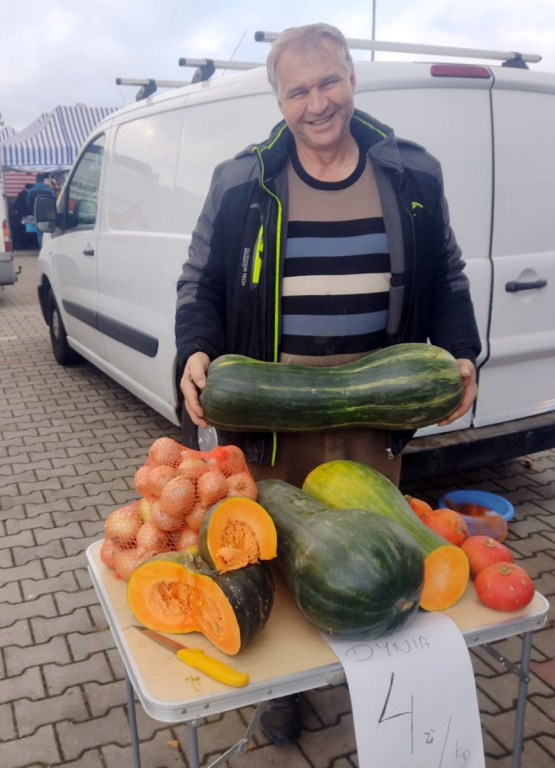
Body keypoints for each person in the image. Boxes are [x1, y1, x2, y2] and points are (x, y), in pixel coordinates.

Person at [174, 23, 482, 743]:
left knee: (368, 564)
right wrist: (195, 347)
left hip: (373, 417)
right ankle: (285, 691)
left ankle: (381, 692)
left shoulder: (412, 173)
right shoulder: (242, 182)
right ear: (278, 99)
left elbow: (449, 275)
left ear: (352, 79)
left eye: (329, 82)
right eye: (299, 89)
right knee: (282, 565)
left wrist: (463, 351)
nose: (318, 103)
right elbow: (201, 284)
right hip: (273, 422)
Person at [26, 174, 56, 248]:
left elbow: (28, 203)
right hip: (49, 213)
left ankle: (42, 248)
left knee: (40, 232)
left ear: (36, 179)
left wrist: (33, 210)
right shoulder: (49, 190)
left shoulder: (31, 190)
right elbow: (54, 201)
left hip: (37, 213)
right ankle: (49, 247)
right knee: (49, 231)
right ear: (43, 180)